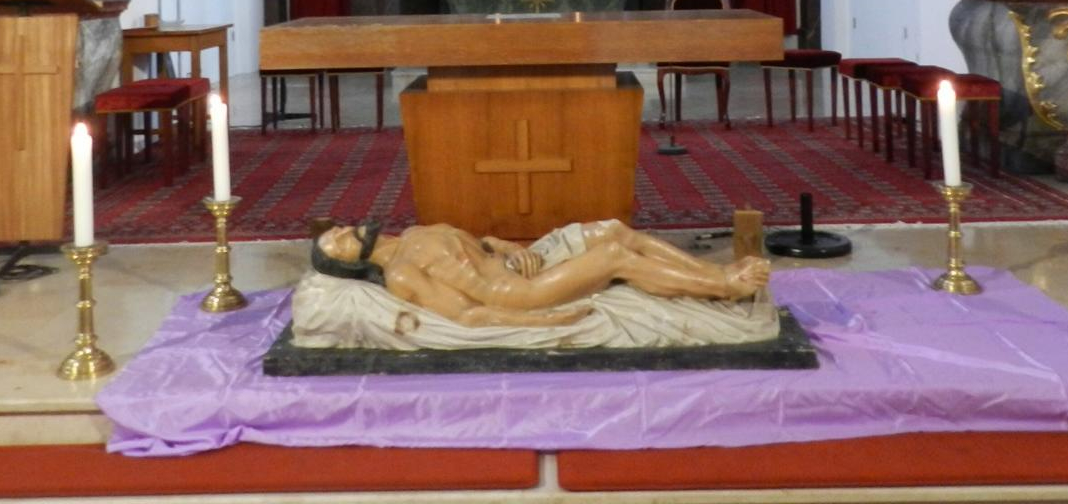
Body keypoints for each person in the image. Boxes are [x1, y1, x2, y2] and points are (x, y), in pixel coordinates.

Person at [312, 218, 771, 329]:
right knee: (613, 256)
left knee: (613, 230)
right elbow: (469, 315)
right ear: (350, 263)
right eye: (338, 241)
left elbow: (478, 244)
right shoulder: (402, 275)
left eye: (336, 230)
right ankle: (724, 287)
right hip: (522, 292)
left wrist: (507, 247)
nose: (343, 230)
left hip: (522, 263)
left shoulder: (414, 232)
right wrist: (542, 321)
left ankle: (717, 271)